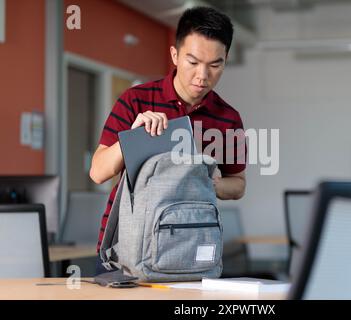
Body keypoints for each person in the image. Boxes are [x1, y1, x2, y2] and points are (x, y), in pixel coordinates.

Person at [90, 6, 247, 275]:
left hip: (189, 250)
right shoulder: (135, 100)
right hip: (125, 251)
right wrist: (133, 137)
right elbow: (97, 172)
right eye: (193, 62)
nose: (203, 75)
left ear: (225, 60)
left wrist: (208, 181)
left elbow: (238, 186)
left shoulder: (228, 118)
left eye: (215, 65)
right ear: (175, 55)